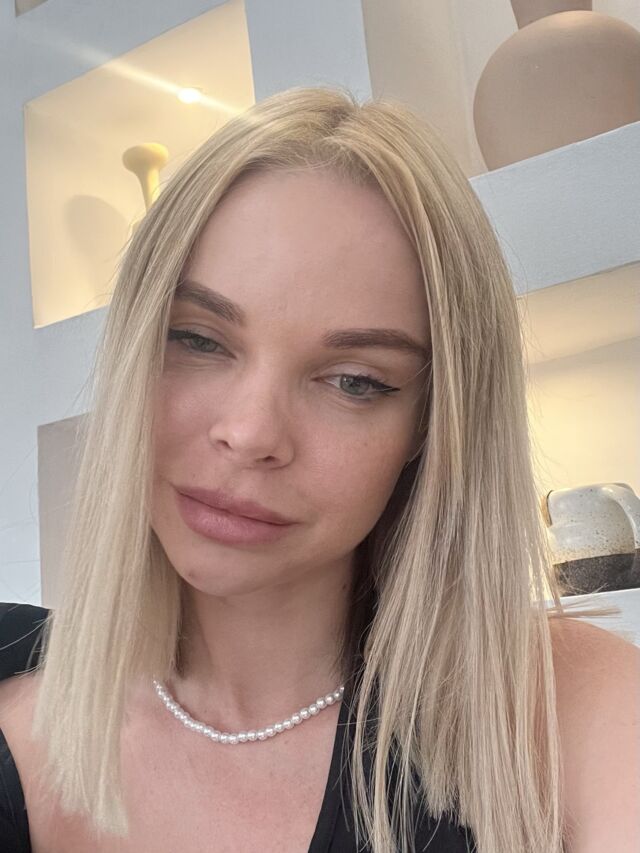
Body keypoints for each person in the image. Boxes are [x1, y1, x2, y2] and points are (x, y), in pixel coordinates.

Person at [0, 85, 638, 853]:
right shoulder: (15, 696)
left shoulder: (568, 713)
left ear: (430, 424)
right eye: (198, 339)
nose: (250, 434)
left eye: (355, 381)